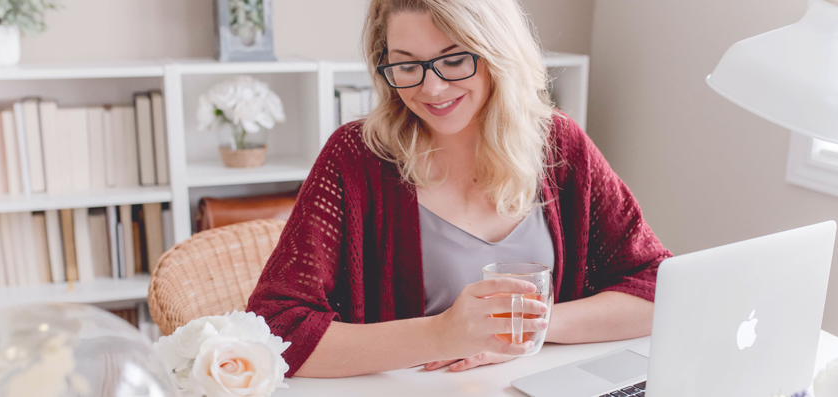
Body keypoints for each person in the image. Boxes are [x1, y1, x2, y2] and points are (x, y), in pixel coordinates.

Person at [247, 0, 672, 378]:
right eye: (407, 65)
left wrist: (523, 328)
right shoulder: (356, 157)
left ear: (497, 52)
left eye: (454, 60)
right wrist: (441, 334)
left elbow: (659, 286)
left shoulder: (560, 145)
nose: (431, 88)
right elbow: (274, 327)